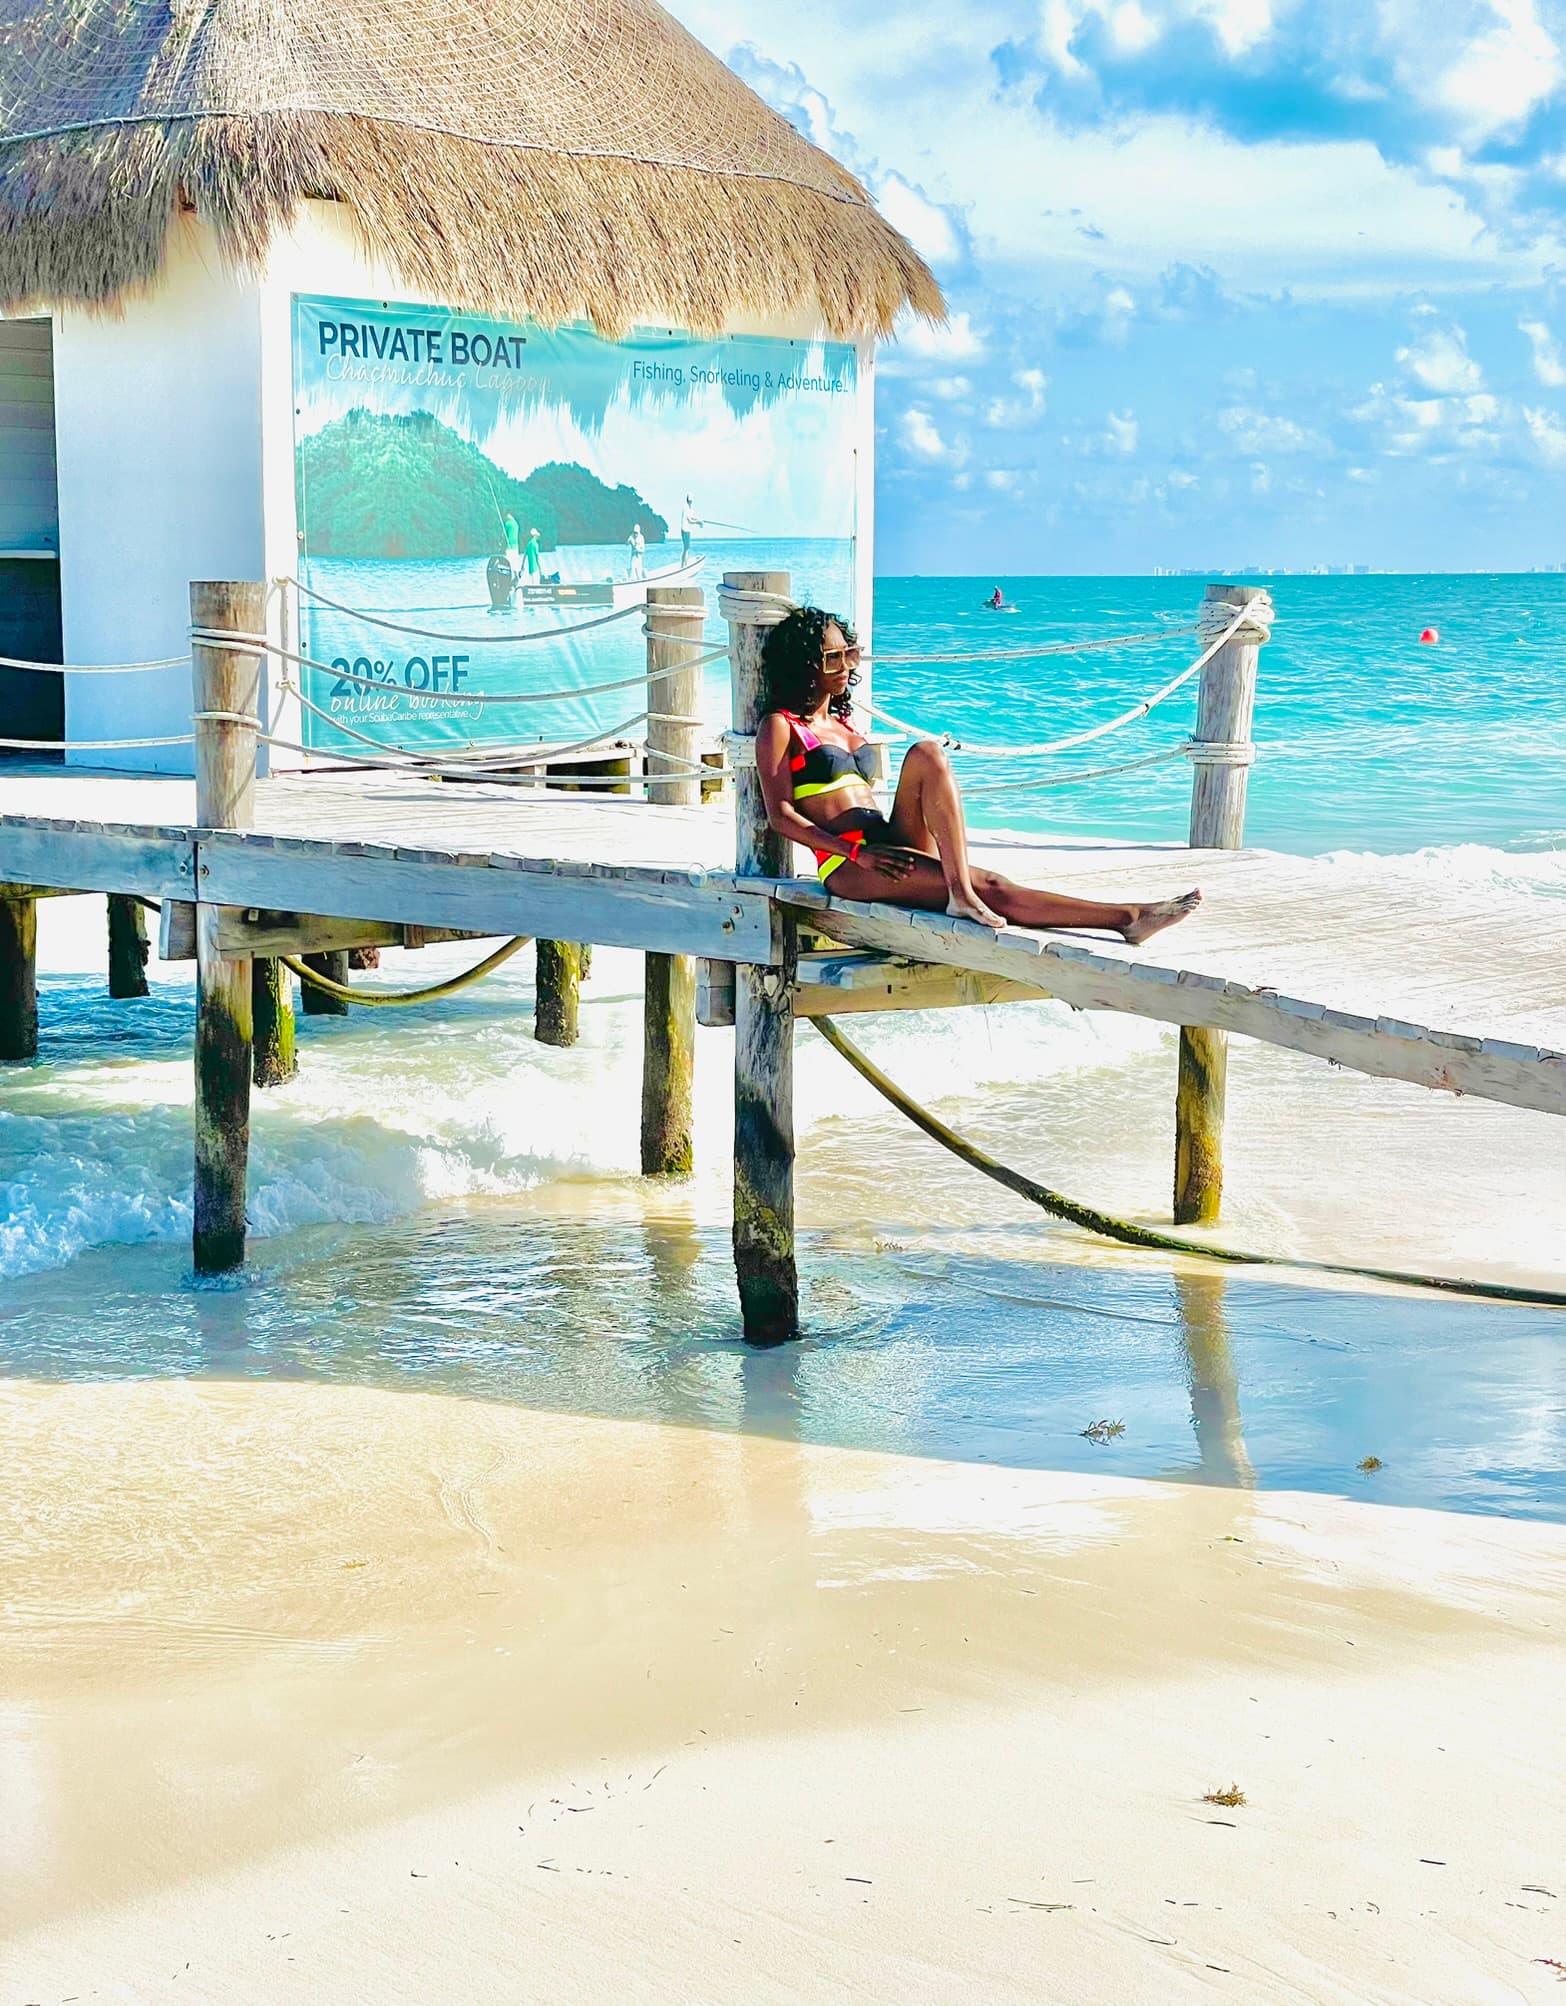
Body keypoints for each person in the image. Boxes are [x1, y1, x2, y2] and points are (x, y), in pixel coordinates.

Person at [754, 605, 1201, 938]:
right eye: (834, 659)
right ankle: (1129, 919)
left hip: (890, 839)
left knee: (928, 752)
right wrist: (857, 855)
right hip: (848, 862)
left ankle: (958, 887)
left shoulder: (846, 723)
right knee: (992, 886)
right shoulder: (781, 726)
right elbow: (782, 817)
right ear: (806, 666)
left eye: (849, 653)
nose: (847, 666)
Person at [680, 494, 702, 565]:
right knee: (686, 548)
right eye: (689, 501)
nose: (690, 502)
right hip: (684, 529)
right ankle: (684, 564)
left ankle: (684, 563)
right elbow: (690, 520)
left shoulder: (690, 508)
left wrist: (699, 520)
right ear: (687, 500)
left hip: (688, 530)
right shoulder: (685, 508)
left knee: (687, 548)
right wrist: (698, 522)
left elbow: (693, 517)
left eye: (691, 501)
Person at [501, 512, 522, 577]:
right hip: (516, 547)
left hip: (509, 547)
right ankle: (516, 575)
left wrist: (500, 543)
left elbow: (504, 535)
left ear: (507, 515)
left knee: (509, 563)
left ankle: (509, 577)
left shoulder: (508, 523)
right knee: (515, 563)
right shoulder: (516, 524)